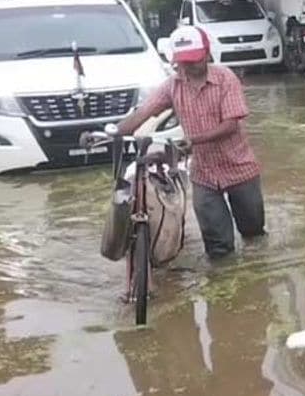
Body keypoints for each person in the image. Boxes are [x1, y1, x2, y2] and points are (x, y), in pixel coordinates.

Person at [114, 26, 265, 259]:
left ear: (206, 54)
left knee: (253, 234)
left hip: (239, 169)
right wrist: (114, 132)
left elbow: (231, 125)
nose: (189, 66)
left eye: (194, 60)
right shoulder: (173, 86)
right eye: (183, 62)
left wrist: (193, 141)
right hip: (204, 175)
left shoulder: (226, 79)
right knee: (218, 249)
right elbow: (144, 112)